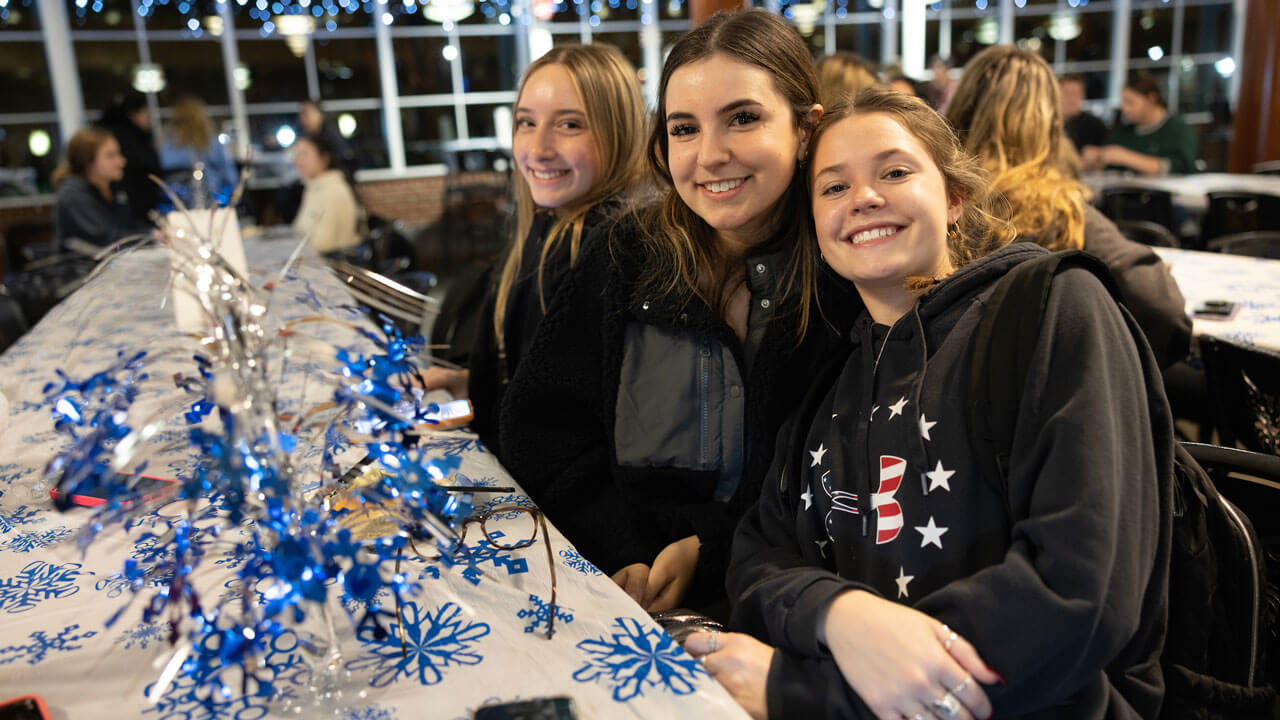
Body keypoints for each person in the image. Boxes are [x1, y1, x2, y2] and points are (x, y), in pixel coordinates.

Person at [688, 86, 1171, 720]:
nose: (863, 197)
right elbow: (758, 557)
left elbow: (1079, 597)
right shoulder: (834, 374)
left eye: (894, 172)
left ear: (956, 198)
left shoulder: (1051, 309)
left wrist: (804, 694)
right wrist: (841, 615)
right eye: (833, 188)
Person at [498, 9, 858, 616]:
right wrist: (622, 547)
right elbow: (542, 428)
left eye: (742, 118)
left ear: (804, 128)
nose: (710, 155)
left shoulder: (848, 271)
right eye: (684, 129)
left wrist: (713, 546)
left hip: (788, 608)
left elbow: (850, 478)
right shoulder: (626, 249)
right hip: (620, 592)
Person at [421, 43, 648, 453]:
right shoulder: (547, 225)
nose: (539, 149)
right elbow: (536, 389)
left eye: (570, 125)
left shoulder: (611, 250)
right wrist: (470, 385)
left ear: (620, 131)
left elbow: (566, 433)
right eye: (526, 122)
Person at [945, 46, 1191, 370]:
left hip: (947, 389)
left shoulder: (936, 200)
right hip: (1051, 393)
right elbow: (1162, 311)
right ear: (1049, 124)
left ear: (960, 108)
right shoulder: (1059, 212)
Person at [1082, 72, 1199, 175]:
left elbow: (1179, 167)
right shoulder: (1124, 132)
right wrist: (1097, 158)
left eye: (1130, 102)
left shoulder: (1178, 129)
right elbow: (1106, 164)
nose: (1124, 108)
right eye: (1123, 101)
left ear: (1151, 98)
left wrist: (1124, 157)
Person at [54, 128, 152, 247]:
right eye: (110, 156)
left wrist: (153, 232)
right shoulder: (73, 196)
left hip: (118, 261)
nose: (121, 161)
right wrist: (151, 237)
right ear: (88, 161)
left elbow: (129, 225)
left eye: (119, 154)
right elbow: (106, 238)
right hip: (84, 264)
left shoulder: (114, 188)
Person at [98, 90, 161, 225]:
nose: (121, 162)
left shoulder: (131, 137)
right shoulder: (128, 139)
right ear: (133, 114)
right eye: (146, 113)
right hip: (135, 207)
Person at [159, 97, 239, 202]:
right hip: (212, 195)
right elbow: (229, 174)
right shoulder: (212, 141)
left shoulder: (170, 142)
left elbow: (164, 164)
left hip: (179, 199)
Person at [292, 133, 361, 253]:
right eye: (296, 154)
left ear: (324, 158)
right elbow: (299, 229)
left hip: (333, 266)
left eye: (304, 154)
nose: (297, 160)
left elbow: (324, 244)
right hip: (314, 262)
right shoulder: (312, 187)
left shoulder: (332, 191)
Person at [1059, 73, 1108, 155]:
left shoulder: (1096, 126)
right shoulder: (1046, 124)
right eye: (1066, 92)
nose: (1071, 98)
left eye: (1076, 93)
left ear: (1083, 95)